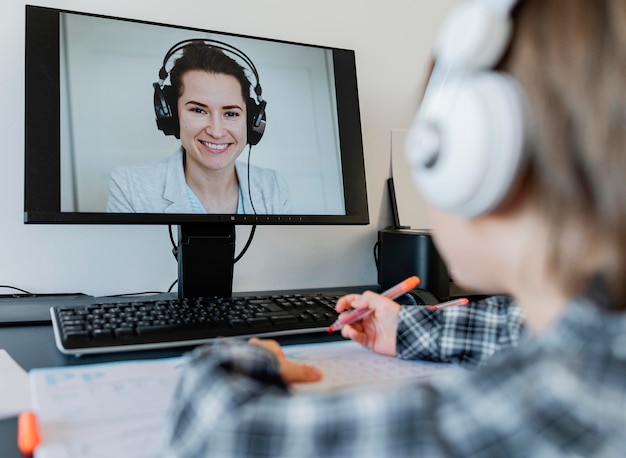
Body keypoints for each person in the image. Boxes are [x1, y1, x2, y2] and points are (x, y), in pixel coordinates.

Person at [162, 0, 626, 456]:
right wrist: (405, 327)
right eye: (198, 109)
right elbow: (521, 327)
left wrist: (246, 354)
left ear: (475, 159)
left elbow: (222, 435)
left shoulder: (568, 403)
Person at [106, 41, 291, 214]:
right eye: (198, 110)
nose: (216, 132)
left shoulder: (273, 187)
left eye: (231, 113)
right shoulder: (129, 187)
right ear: (170, 115)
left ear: (252, 122)